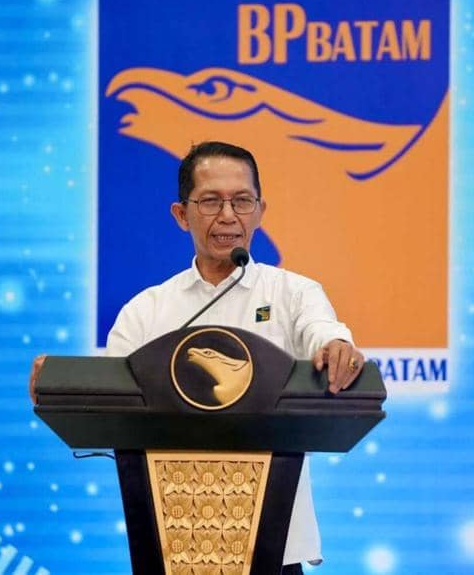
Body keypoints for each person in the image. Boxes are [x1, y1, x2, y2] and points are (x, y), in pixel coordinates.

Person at [29, 141, 365, 573]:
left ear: (260, 211)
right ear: (181, 214)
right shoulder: (147, 310)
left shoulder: (294, 293)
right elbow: (108, 394)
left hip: (276, 545)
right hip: (173, 542)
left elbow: (323, 332)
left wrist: (337, 345)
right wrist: (59, 384)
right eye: (210, 201)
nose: (228, 216)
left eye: (242, 201)